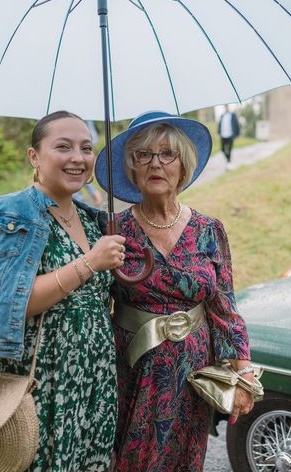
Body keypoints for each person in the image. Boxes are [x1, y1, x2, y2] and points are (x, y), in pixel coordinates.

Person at [0, 111, 126, 472]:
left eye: (86, 148)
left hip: (95, 379)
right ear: (34, 156)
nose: (78, 158)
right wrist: (90, 263)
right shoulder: (13, 214)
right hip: (46, 383)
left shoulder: (91, 219)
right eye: (63, 146)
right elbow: (11, 303)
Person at [95, 111, 255, 471]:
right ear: (131, 167)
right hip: (133, 372)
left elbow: (224, 307)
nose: (155, 163)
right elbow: (86, 302)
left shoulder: (208, 229)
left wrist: (242, 372)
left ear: (183, 166)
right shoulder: (111, 230)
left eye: (167, 154)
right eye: (143, 154)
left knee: (185, 460)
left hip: (193, 376)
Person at [217, 104, 240, 170]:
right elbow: (220, 124)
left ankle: (229, 163)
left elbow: (236, 124)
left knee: (229, 149)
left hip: (230, 135)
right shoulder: (222, 116)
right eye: (225, 107)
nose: (226, 108)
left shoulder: (233, 115)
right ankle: (228, 160)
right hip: (223, 135)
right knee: (222, 149)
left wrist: (238, 134)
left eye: (227, 107)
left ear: (229, 107)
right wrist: (218, 132)